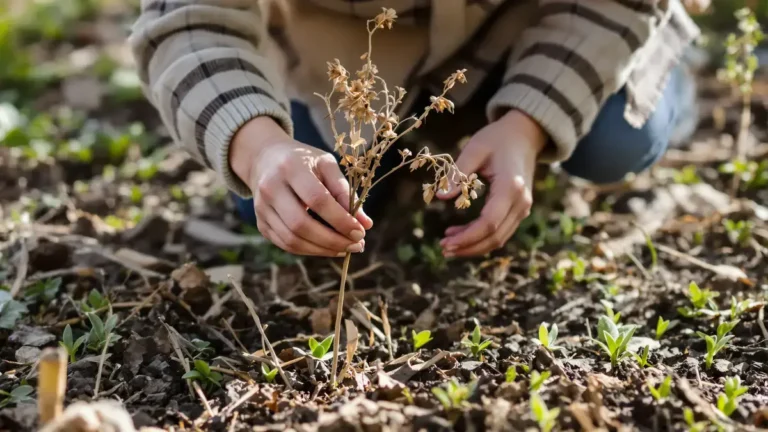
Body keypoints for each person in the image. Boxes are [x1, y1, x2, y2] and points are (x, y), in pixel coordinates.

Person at [130, 0, 700, 259]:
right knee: (291, 207)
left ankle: (667, 66)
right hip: (350, 62)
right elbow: (185, 21)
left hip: (539, 23)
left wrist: (528, 125)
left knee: (612, 145)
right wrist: (260, 149)